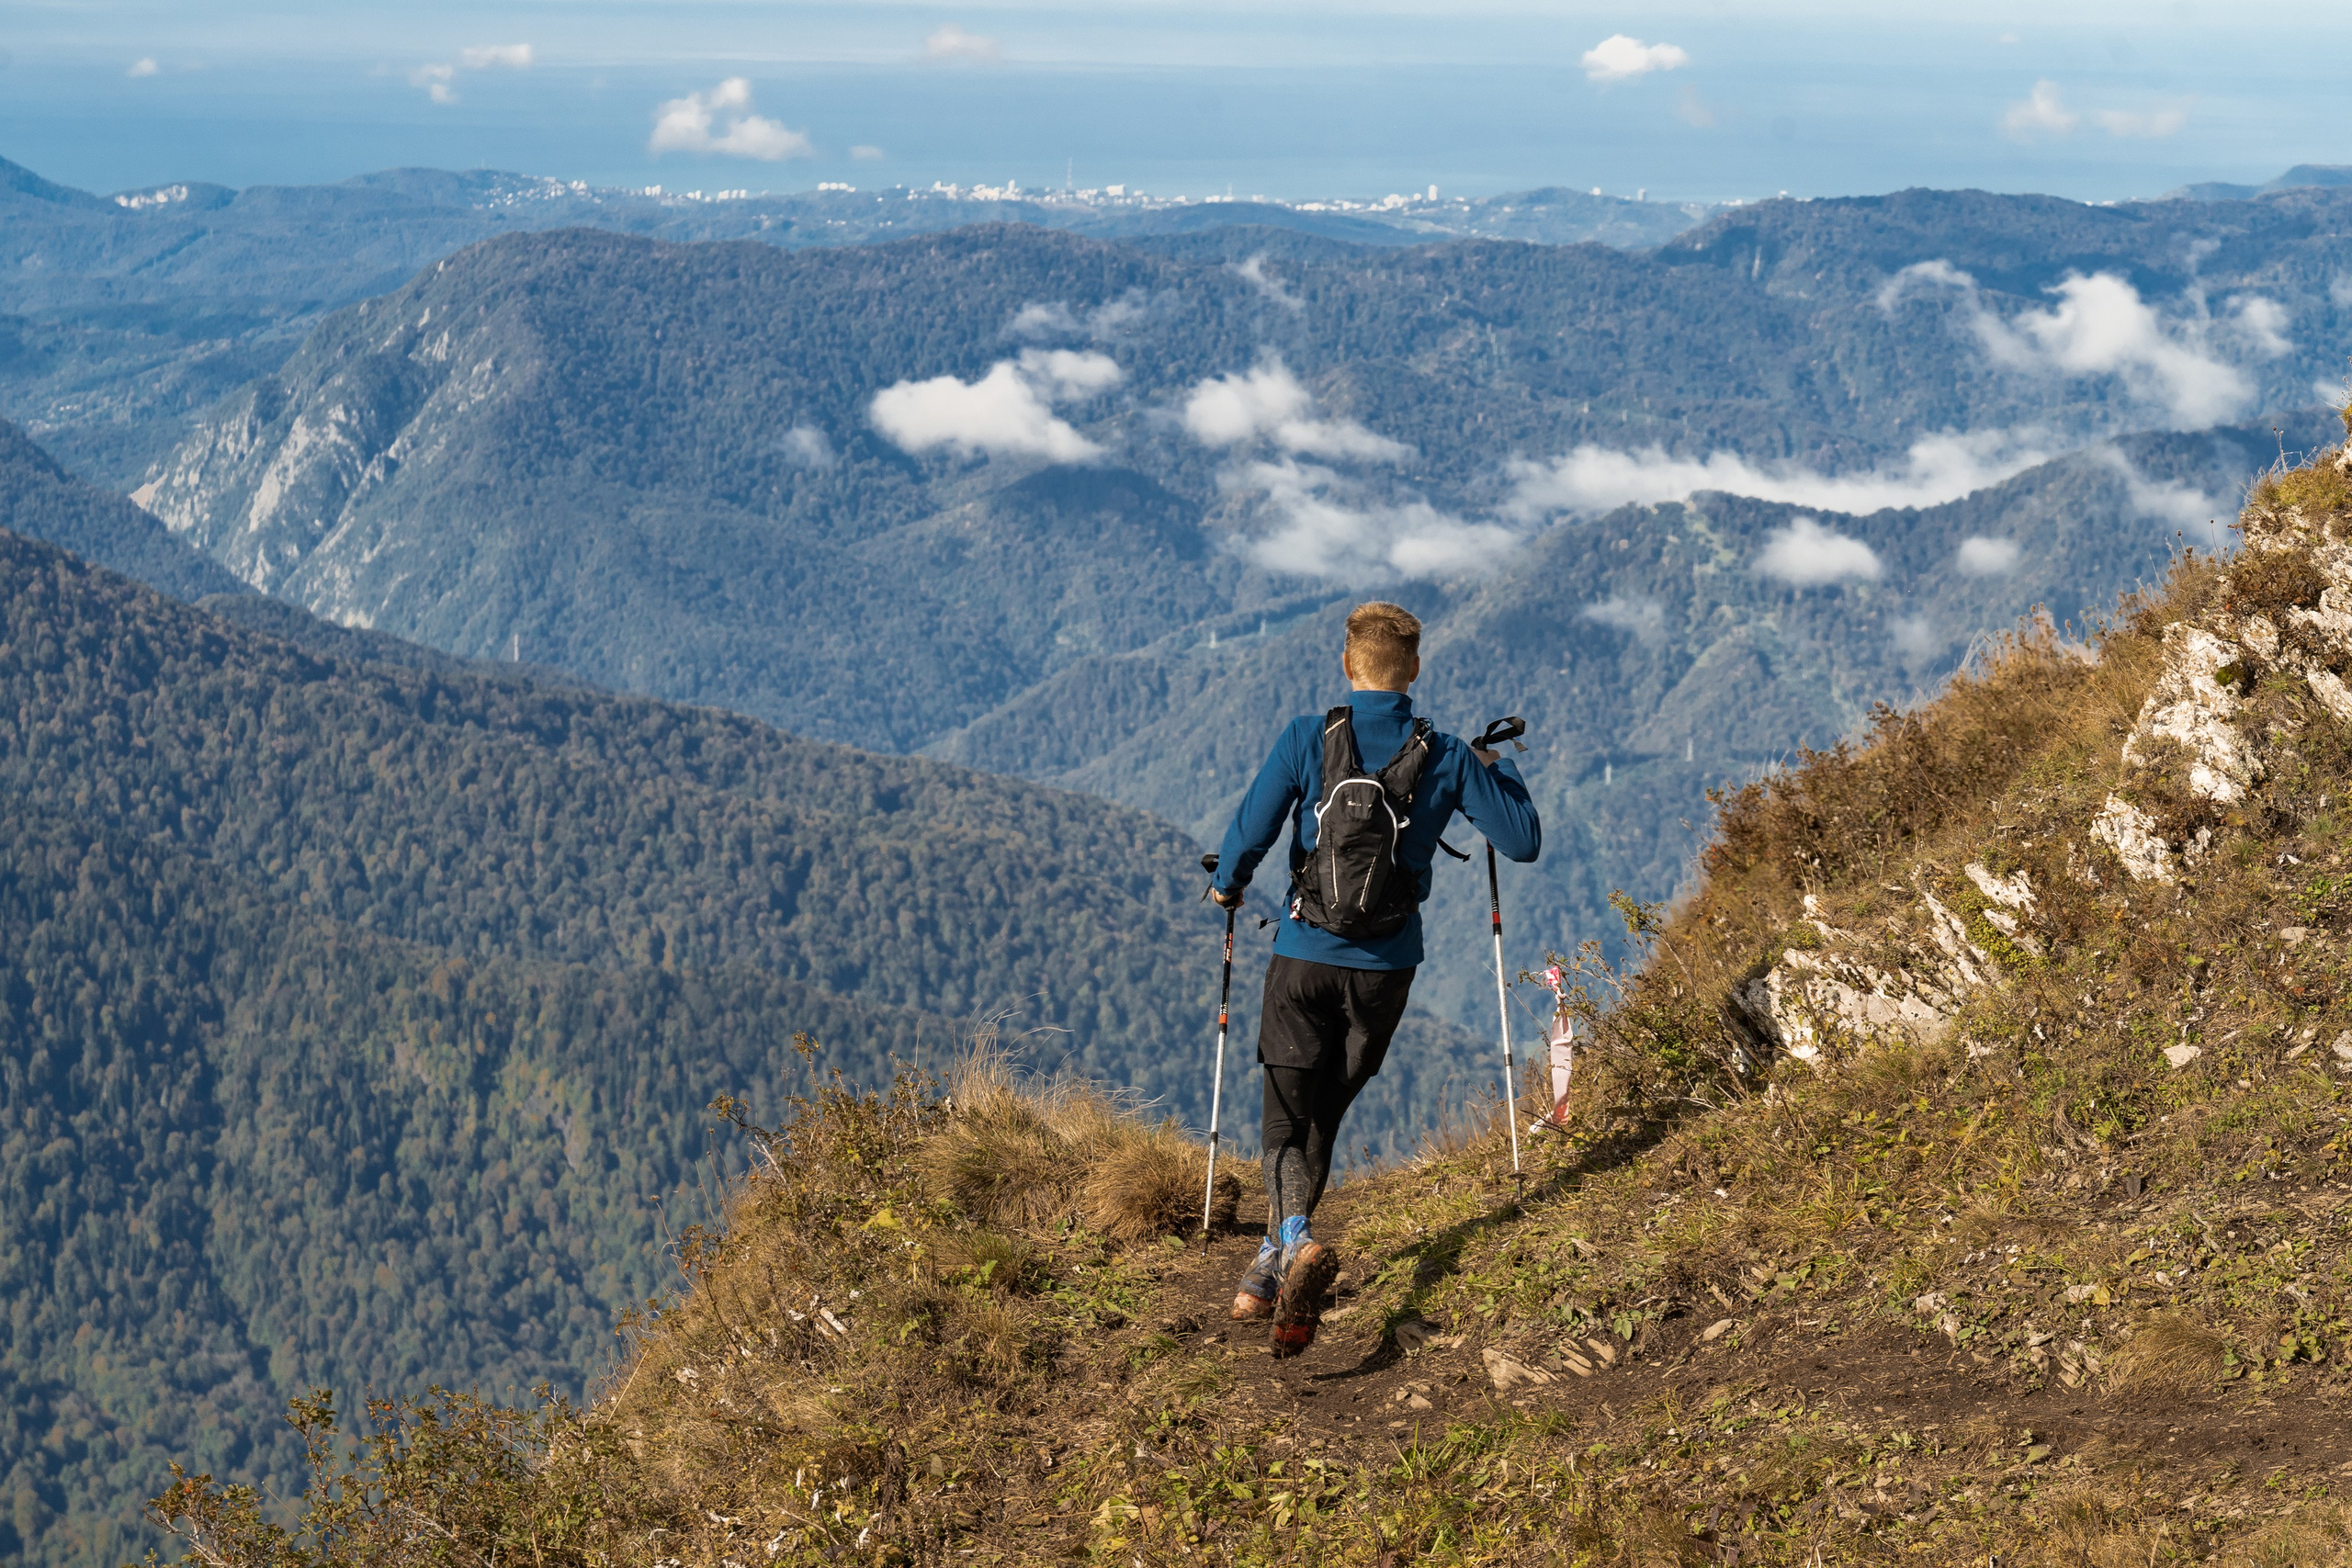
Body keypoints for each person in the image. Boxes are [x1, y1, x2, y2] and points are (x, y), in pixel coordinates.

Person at [1207, 601, 1540, 1356]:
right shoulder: (1450, 752)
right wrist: (1501, 766)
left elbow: (1251, 831)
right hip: (1387, 972)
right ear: (1413, 671)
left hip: (1303, 958)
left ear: (1347, 665)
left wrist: (1227, 884)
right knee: (1324, 1112)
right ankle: (1271, 1264)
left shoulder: (1306, 736)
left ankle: (1290, 1240)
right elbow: (1520, 841)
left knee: (1285, 1123)